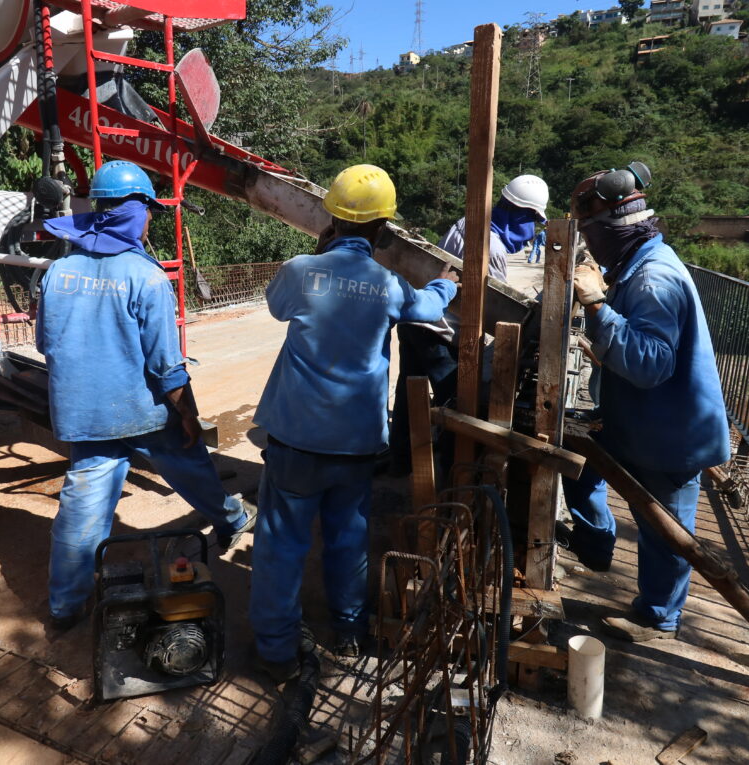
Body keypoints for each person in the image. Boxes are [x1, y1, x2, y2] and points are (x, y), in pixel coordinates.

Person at [250, 164, 459, 681]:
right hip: (356, 442)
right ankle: (347, 631)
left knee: (281, 543)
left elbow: (279, 308)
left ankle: (276, 650)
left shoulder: (300, 270)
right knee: (349, 537)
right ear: (383, 230)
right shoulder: (386, 284)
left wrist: (320, 256)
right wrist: (447, 285)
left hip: (295, 438)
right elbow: (426, 307)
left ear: (331, 221)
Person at [36, 160, 255, 630]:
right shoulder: (147, 276)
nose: (151, 218)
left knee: (82, 513)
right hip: (142, 410)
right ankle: (233, 520)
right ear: (134, 211)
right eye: (148, 210)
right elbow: (165, 365)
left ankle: (64, 607)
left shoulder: (60, 272)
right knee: (190, 461)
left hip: (86, 415)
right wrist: (189, 415)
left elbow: (45, 344)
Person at [561, 162, 730, 642]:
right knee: (580, 468)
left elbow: (651, 363)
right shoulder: (640, 264)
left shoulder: (654, 278)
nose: (588, 245)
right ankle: (597, 547)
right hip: (639, 423)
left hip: (671, 434)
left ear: (609, 229)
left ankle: (659, 618)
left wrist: (596, 306)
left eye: (589, 233)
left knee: (666, 532)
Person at [387, 174, 549, 473]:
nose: (530, 234)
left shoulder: (467, 223)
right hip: (441, 333)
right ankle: (454, 477)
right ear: (517, 213)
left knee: (411, 394)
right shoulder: (492, 247)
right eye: (532, 222)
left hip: (418, 323)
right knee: (458, 408)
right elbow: (494, 309)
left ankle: (400, 461)